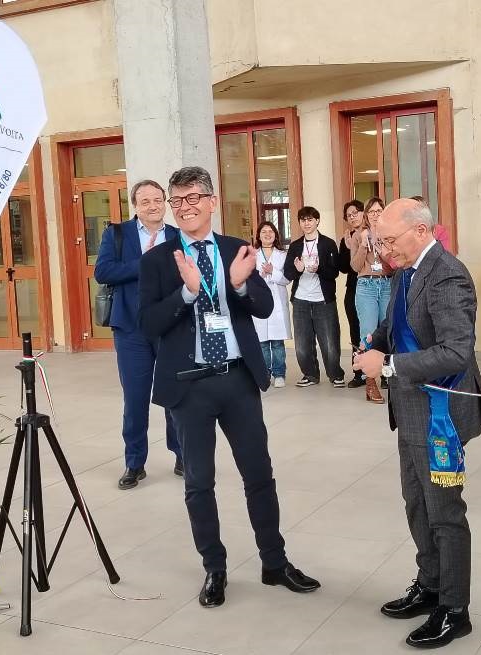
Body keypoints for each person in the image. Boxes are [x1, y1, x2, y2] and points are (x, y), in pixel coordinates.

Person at [138, 166, 320, 608]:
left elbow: (264, 306)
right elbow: (148, 324)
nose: (185, 207)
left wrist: (238, 285)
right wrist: (186, 294)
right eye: (177, 200)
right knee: (199, 482)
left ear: (212, 202)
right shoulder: (158, 261)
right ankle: (214, 569)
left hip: (238, 380)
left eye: (193, 198)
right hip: (189, 387)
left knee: (259, 475)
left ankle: (274, 563)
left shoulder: (236, 249)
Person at [354, 198, 481, 649]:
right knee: (416, 503)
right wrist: (373, 343)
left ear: (420, 230)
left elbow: (455, 352)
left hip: (440, 416)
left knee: (445, 514)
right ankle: (430, 584)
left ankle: (454, 609)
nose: (385, 250)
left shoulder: (448, 275)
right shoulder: (406, 270)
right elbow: (394, 325)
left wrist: (387, 364)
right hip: (411, 408)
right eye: (380, 242)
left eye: (389, 241)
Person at [94, 179, 182, 489]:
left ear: (165, 202)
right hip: (131, 329)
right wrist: (145, 262)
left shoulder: (177, 236)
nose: (153, 206)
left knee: (174, 395)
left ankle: (182, 455)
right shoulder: (117, 234)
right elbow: (103, 272)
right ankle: (135, 463)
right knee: (135, 399)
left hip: (170, 326)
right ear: (135, 205)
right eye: (145, 201)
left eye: (158, 200)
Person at [283, 206, 345, 388]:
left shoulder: (328, 244)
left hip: (323, 300)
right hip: (301, 300)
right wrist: (298, 270)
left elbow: (334, 272)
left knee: (329, 341)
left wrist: (319, 269)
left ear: (317, 221)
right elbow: (288, 273)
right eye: (303, 220)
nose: (306, 223)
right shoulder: (295, 246)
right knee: (302, 343)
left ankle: (335, 374)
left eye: (310, 219)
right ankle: (310, 375)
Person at [347, 196, 394, 404]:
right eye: (371, 211)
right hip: (366, 285)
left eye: (379, 211)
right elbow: (355, 267)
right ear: (366, 214)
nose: (375, 215)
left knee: (388, 330)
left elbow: (392, 265)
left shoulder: (389, 234)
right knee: (368, 333)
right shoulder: (358, 235)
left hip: (387, 284)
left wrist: (380, 245)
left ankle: (387, 374)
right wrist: (364, 246)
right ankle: (370, 382)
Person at [251, 221, 291, 388]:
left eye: (271, 231)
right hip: (259, 301)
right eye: (264, 232)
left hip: (277, 302)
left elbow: (287, 279)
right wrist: (260, 275)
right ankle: (265, 373)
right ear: (259, 236)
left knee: (277, 343)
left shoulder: (283, 255)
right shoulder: (252, 254)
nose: (267, 234)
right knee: (262, 342)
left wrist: (272, 271)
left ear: (275, 235)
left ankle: (279, 374)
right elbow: (248, 278)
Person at [338, 200, 368, 389]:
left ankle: (383, 373)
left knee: (377, 330)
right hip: (354, 288)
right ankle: (359, 373)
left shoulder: (373, 233)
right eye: (349, 215)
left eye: (356, 212)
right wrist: (350, 249)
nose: (353, 217)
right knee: (355, 331)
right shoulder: (346, 239)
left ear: (363, 213)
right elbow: (342, 268)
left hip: (374, 288)